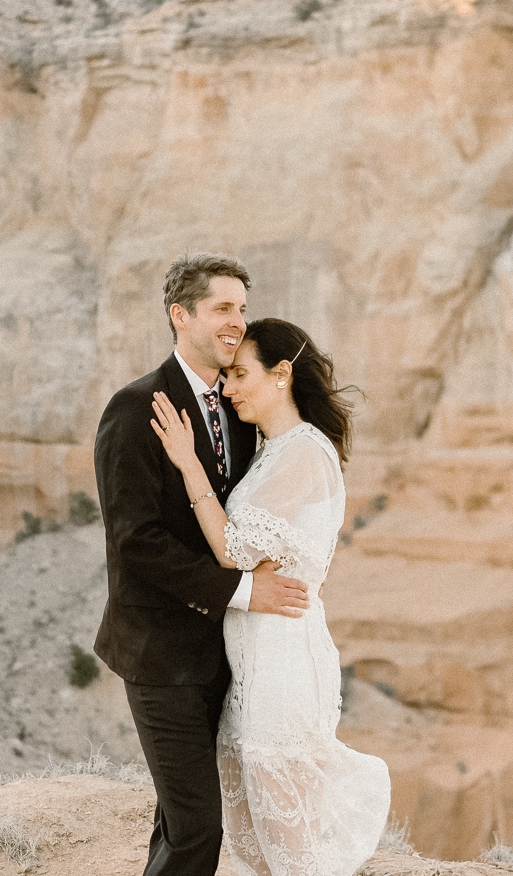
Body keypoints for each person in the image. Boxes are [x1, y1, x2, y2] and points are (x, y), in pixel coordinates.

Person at [94, 253, 313, 876]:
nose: (236, 323)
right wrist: (245, 590)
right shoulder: (136, 409)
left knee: (182, 820)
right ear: (179, 315)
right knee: (198, 831)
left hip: (228, 655)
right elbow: (134, 541)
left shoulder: (240, 410)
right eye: (222, 308)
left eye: (242, 310)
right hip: (160, 654)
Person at [148, 316, 391, 876]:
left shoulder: (305, 451)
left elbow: (233, 552)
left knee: (292, 850)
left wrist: (188, 464)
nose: (227, 389)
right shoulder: (272, 450)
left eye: (238, 375)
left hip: (282, 669)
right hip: (254, 667)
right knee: (258, 846)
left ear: (281, 374)